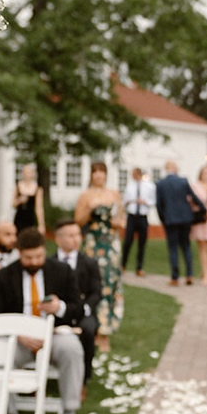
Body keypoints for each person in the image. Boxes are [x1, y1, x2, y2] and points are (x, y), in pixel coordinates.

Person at [0, 227, 86, 414]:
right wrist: (17, 332)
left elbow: (78, 309)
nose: (34, 261)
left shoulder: (62, 271)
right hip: (19, 339)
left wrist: (59, 308)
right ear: (18, 253)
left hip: (54, 334)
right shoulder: (3, 276)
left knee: (72, 349)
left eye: (39, 256)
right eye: (28, 257)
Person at [74, 162, 125, 353]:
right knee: (93, 283)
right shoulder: (85, 195)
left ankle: (106, 331)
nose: (98, 176)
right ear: (91, 175)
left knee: (109, 284)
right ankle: (92, 328)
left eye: (101, 172)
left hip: (110, 243)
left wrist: (116, 221)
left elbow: (121, 219)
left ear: (105, 175)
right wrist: (90, 209)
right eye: (95, 172)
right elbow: (78, 221)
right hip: (93, 243)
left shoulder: (113, 194)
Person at [53, 219, 102, 388]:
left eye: (78, 235)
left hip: (84, 311)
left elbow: (96, 292)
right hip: (58, 311)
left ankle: (83, 379)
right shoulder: (50, 263)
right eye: (70, 235)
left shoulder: (89, 263)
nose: (76, 239)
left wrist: (85, 309)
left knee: (87, 330)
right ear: (58, 239)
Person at [154, 159, 205, 286]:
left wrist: (163, 219)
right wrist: (203, 208)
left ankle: (175, 277)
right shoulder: (183, 181)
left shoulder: (161, 184)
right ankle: (189, 274)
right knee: (186, 246)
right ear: (175, 169)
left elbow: (159, 205)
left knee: (173, 248)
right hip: (185, 218)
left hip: (170, 220)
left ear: (166, 169)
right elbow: (193, 197)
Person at [121, 166, 156, 274]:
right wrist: (128, 202)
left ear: (139, 174)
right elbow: (124, 201)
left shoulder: (149, 186)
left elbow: (153, 201)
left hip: (142, 216)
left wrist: (144, 202)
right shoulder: (129, 187)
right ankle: (123, 265)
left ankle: (139, 268)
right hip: (131, 216)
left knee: (142, 243)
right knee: (127, 242)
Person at [11, 164, 46, 238]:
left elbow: (39, 208)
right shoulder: (18, 186)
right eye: (25, 172)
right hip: (19, 217)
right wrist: (20, 200)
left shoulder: (37, 188)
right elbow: (13, 204)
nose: (27, 175)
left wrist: (41, 224)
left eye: (29, 172)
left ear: (33, 174)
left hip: (30, 217)